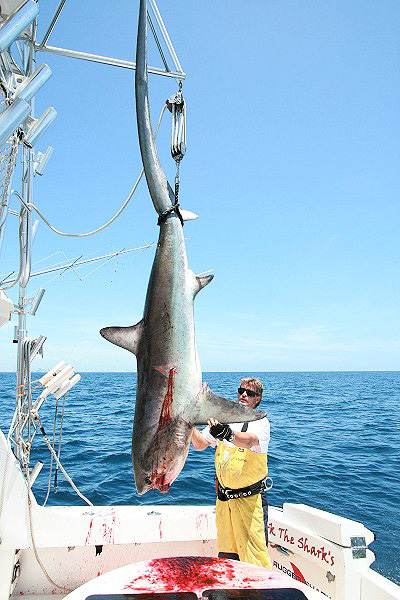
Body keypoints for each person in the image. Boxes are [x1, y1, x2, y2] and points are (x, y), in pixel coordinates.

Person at [191, 377, 272, 569]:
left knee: (255, 562)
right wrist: (188, 424)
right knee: (227, 559)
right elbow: (199, 444)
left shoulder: (260, 421)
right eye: (241, 390)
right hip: (224, 502)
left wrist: (227, 434)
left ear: (257, 399)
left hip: (250, 503)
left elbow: (249, 441)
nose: (244, 395)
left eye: (250, 393)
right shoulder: (224, 419)